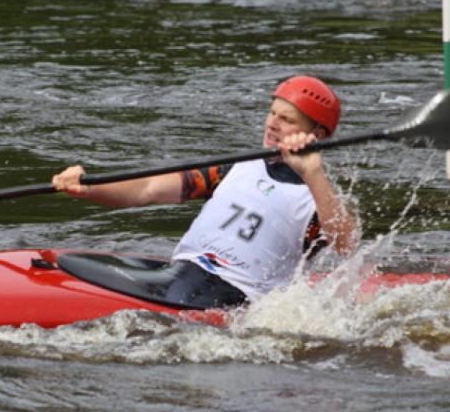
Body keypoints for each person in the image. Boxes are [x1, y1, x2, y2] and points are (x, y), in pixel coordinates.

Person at [51, 75, 361, 307]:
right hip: (183, 272)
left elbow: (347, 244)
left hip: (229, 295)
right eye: (272, 113)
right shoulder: (235, 167)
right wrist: (89, 187)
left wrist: (312, 172)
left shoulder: (318, 197)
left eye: (287, 119)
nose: (273, 124)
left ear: (316, 134)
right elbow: (147, 189)